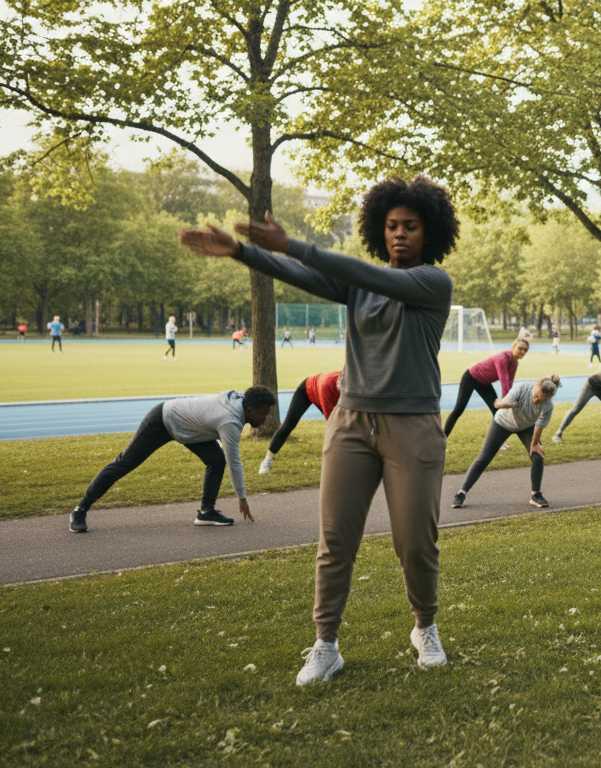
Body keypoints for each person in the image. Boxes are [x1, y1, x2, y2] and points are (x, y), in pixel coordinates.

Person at [180, 173, 458, 685]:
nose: (399, 234)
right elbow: (298, 274)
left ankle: (425, 627)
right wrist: (241, 250)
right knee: (335, 540)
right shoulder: (358, 284)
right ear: (380, 229)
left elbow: (361, 274)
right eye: (392, 225)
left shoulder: (432, 284)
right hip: (350, 422)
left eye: (411, 226)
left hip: (413, 428)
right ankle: (326, 645)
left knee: (414, 542)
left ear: (429, 232)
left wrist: (296, 244)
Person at [69, 387, 277, 533]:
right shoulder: (230, 421)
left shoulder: (242, 400)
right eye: (262, 414)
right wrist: (242, 499)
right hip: (162, 420)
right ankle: (80, 510)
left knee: (216, 459)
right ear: (249, 410)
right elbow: (235, 462)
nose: (264, 419)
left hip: (189, 428)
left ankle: (206, 512)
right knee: (124, 463)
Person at [451, 375, 560, 510]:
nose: (536, 400)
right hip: (503, 423)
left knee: (537, 456)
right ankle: (461, 493)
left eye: (540, 400)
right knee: (484, 457)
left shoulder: (548, 406)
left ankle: (536, 495)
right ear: (535, 386)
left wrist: (535, 444)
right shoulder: (522, 388)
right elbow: (498, 404)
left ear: (548, 399)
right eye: (536, 396)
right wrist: (502, 404)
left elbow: (540, 424)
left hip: (526, 426)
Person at [443, 338, 530, 437]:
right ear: (514, 346)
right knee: (458, 409)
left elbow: (510, 383)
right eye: (520, 348)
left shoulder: (514, 362)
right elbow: (504, 381)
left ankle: (494, 442)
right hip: (471, 377)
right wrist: (507, 403)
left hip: (484, 383)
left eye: (525, 350)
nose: (523, 352)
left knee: (496, 412)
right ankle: (442, 438)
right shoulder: (502, 358)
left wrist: (510, 400)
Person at [259, 370, 341, 473]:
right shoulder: (327, 386)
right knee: (288, 425)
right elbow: (333, 423)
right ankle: (267, 460)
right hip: (308, 389)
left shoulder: (353, 386)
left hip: (325, 391)